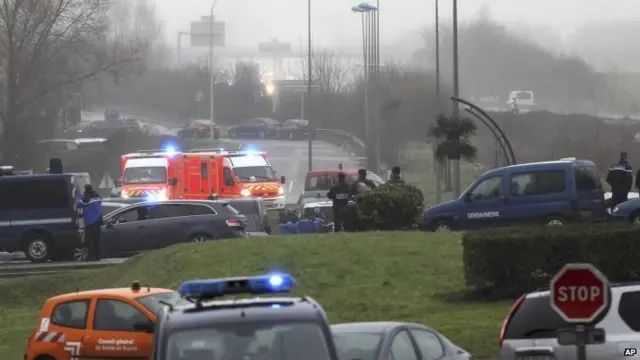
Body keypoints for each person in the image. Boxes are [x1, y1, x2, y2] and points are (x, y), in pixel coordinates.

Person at [78, 184, 103, 261]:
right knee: (97, 240)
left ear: (86, 189)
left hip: (90, 223)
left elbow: (79, 203)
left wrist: (77, 195)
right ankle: (97, 257)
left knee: (90, 240)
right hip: (98, 221)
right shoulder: (98, 197)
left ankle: (91, 257)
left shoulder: (87, 198)